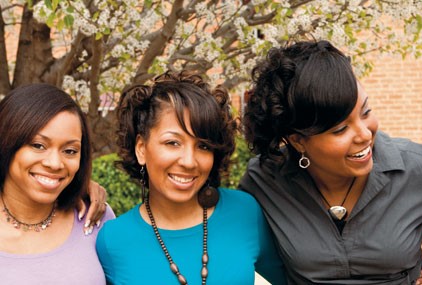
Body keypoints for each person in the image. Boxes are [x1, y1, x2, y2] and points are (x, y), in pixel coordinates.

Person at [239, 40, 422, 285]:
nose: (365, 134)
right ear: (298, 140)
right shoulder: (263, 182)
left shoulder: (419, 170)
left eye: (366, 112)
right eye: (341, 129)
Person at [96, 70, 286, 284]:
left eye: (203, 146)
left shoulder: (244, 211)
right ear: (141, 148)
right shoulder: (112, 240)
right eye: (172, 143)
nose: (189, 161)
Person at [0, 83, 114, 284]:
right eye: (38, 145)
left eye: (70, 150)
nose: (54, 163)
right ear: (7, 142)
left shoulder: (95, 217)